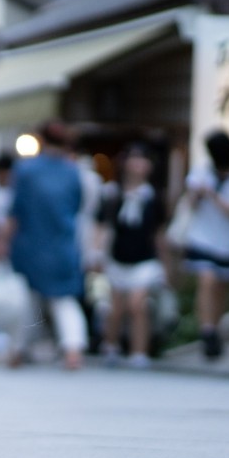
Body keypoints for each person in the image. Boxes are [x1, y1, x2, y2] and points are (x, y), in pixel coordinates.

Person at [5, 120, 88, 370]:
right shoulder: (73, 171)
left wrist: (2, 242)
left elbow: (15, 211)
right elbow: (77, 207)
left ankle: (18, 349)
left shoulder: (26, 170)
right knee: (63, 299)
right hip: (63, 243)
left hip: (30, 243)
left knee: (29, 299)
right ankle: (72, 348)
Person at [180, 129, 229, 359]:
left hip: (228, 243)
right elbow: (190, 203)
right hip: (202, 238)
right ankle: (207, 330)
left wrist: (212, 193)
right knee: (207, 280)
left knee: (221, 287)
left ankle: (215, 328)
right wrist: (197, 193)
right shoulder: (201, 172)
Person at [94, 142, 167, 368]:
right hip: (118, 257)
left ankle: (139, 351)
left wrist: (166, 265)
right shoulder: (113, 193)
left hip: (145, 259)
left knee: (137, 304)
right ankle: (111, 345)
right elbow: (102, 226)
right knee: (115, 307)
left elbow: (159, 233)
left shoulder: (154, 196)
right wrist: (97, 254)